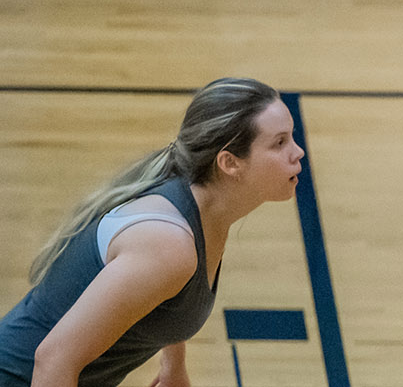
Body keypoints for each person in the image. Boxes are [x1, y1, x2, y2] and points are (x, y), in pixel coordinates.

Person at [1, 78, 303, 387]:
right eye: (280, 143)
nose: (299, 152)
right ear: (229, 163)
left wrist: (175, 365)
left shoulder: (204, 210)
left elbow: (161, 294)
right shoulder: (167, 244)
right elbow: (53, 359)